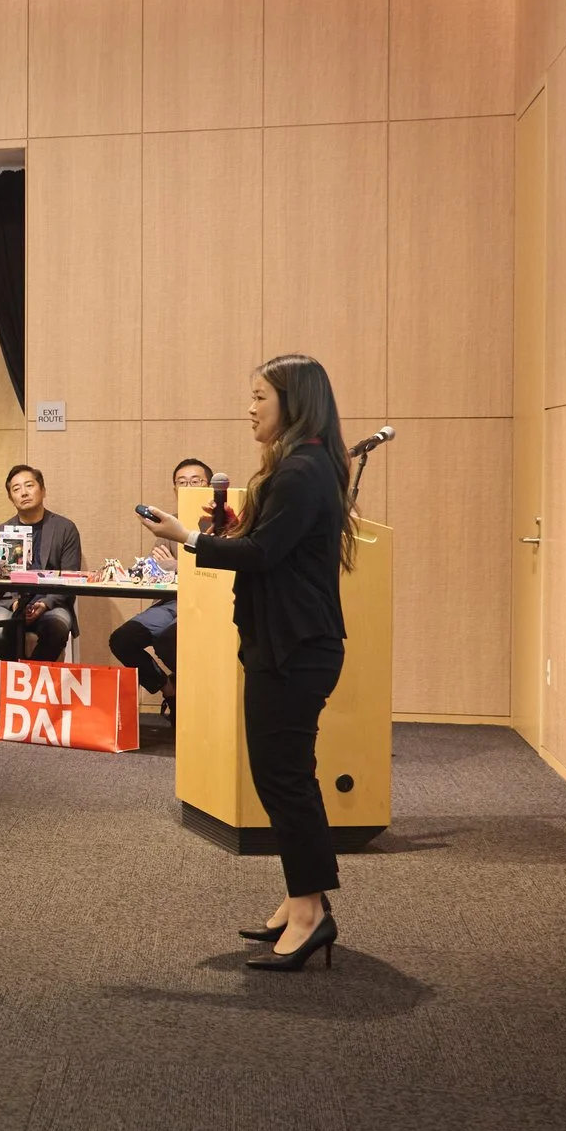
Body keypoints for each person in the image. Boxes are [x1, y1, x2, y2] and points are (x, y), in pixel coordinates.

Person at [143, 355, 355, 971]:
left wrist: (188, 538)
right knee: (285, 776)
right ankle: (303, 897)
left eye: (261, 396)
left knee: (283, 779)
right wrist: (232, 529)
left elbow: (263, 556)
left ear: (294, 402)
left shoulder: (302, 468)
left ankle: (310, 913)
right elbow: (275, 547)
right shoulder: (305, 464)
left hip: (295, 648)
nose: (251, 407)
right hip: (292, 643)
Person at [110, 458, 211, 711]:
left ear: (209, 486)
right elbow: (156, 568)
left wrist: (177, 566)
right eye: (182, 482)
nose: (188, 487)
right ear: (174, 489)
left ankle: (197, 698)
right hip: (170, 602)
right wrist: (163, 568)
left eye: (195, 481)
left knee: (168, 641)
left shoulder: (222, 525)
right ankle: (170, 691)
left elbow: (217, 571)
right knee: (122, 639)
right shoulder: (169, 523)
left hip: (206, 603)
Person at [0, 464, 83, 662]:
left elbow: (71, 577)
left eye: (29, 485)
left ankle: (27, 675)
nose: (24, 493)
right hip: (9, 603)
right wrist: (14, 604)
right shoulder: (1, 532)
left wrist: (45, 604)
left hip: (50, 603)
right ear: (11, 498)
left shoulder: (65, 528)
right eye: (16, 489)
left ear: (43, 490)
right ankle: (21, 675)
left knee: (57, 626)